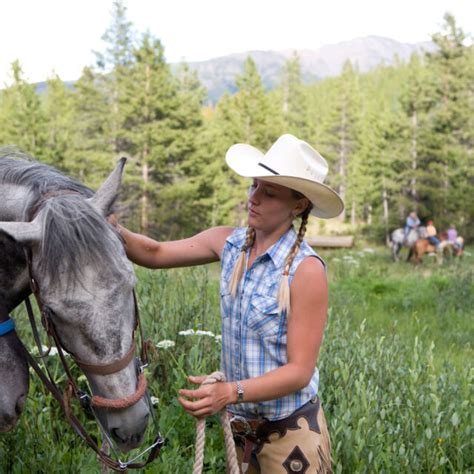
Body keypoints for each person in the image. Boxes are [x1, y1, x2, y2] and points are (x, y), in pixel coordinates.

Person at [115, 134, 343, 473]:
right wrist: (109, 227)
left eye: (269, 193)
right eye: (253, 187)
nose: (254, 198)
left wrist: (230, 392)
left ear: (298, 206)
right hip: (243, 433)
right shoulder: (228, 243)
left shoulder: (305, 271)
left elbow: (299, 372)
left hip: (292, 435)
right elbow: (155, 253)